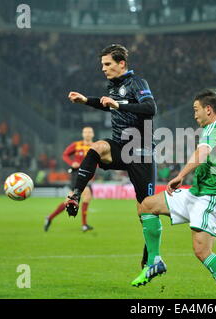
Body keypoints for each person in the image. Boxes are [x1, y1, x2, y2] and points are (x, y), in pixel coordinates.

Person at [130, 89, 216, 299]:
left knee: (202, 252)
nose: (194, 115)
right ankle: (154, 261)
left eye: (196, 110)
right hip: (195, 193)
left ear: (208, 109)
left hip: (210, 198)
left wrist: (181, 175)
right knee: (147, 206)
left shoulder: (211, 128)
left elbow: (203, 152)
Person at [65, 44, 157, 267]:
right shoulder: (113, 85)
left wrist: (119, 104)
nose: (103, 69)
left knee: (145, 209)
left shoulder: (137, 83)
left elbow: (150, 108)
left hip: (140, 150)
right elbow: (109, 104)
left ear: (121, 63)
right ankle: (76, 194)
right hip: (118, 145)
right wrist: (86, 100)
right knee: (96, 148)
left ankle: (151, 256)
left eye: (107, 64)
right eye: (102, 65)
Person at [44, 126, 95, 232]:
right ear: (82, 134)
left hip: (88, 174)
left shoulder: (95, 146)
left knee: (70, 200)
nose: (88, 134)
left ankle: (49, 217)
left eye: (89, 132)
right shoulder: (77, 145)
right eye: (85, 132)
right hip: (77, 174)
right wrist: (72, 163)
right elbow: (65, 155)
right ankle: (84, 225)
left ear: (93, 134)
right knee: (87, 194)